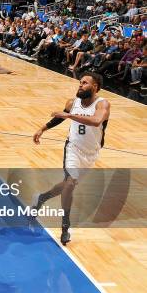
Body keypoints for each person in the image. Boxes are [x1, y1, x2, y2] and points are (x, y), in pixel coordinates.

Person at [32, 72, 110, 245]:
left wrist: (69, 116)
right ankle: (65, 226)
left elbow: (97, 121)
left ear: (95, 86)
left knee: (68, 184)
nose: (80, 85)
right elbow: (58, 119)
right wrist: (42, 129)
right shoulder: (72, 103)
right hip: (73, 148)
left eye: (85, 83)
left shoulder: (102, 104)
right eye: (80, 82)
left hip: (91, 153)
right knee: (70, 183)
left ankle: (41, 198)